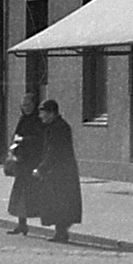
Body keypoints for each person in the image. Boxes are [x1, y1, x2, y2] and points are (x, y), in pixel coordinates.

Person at [26, 99, 83, 243]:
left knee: (59, 202)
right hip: (60, 172)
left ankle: (61, 233)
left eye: (43, 113)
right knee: (59, 202)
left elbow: (53, 152)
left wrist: (41, 169)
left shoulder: (57, 128)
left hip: (59, 173)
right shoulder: (57, 126)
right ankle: (61, 232)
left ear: (52, 113)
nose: (41, 116)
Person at [5, 100, 43, 236]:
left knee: (32, 193)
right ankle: (22, 223)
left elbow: (39, 140)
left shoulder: (38, 121)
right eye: (25, 105)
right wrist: (14, 149)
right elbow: (15, 136)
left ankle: (53, 225)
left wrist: (24, 140)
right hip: (21, 162)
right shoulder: (22, 120)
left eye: (29, 105)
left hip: (32, 162)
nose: (27, 108)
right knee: (19, 194)